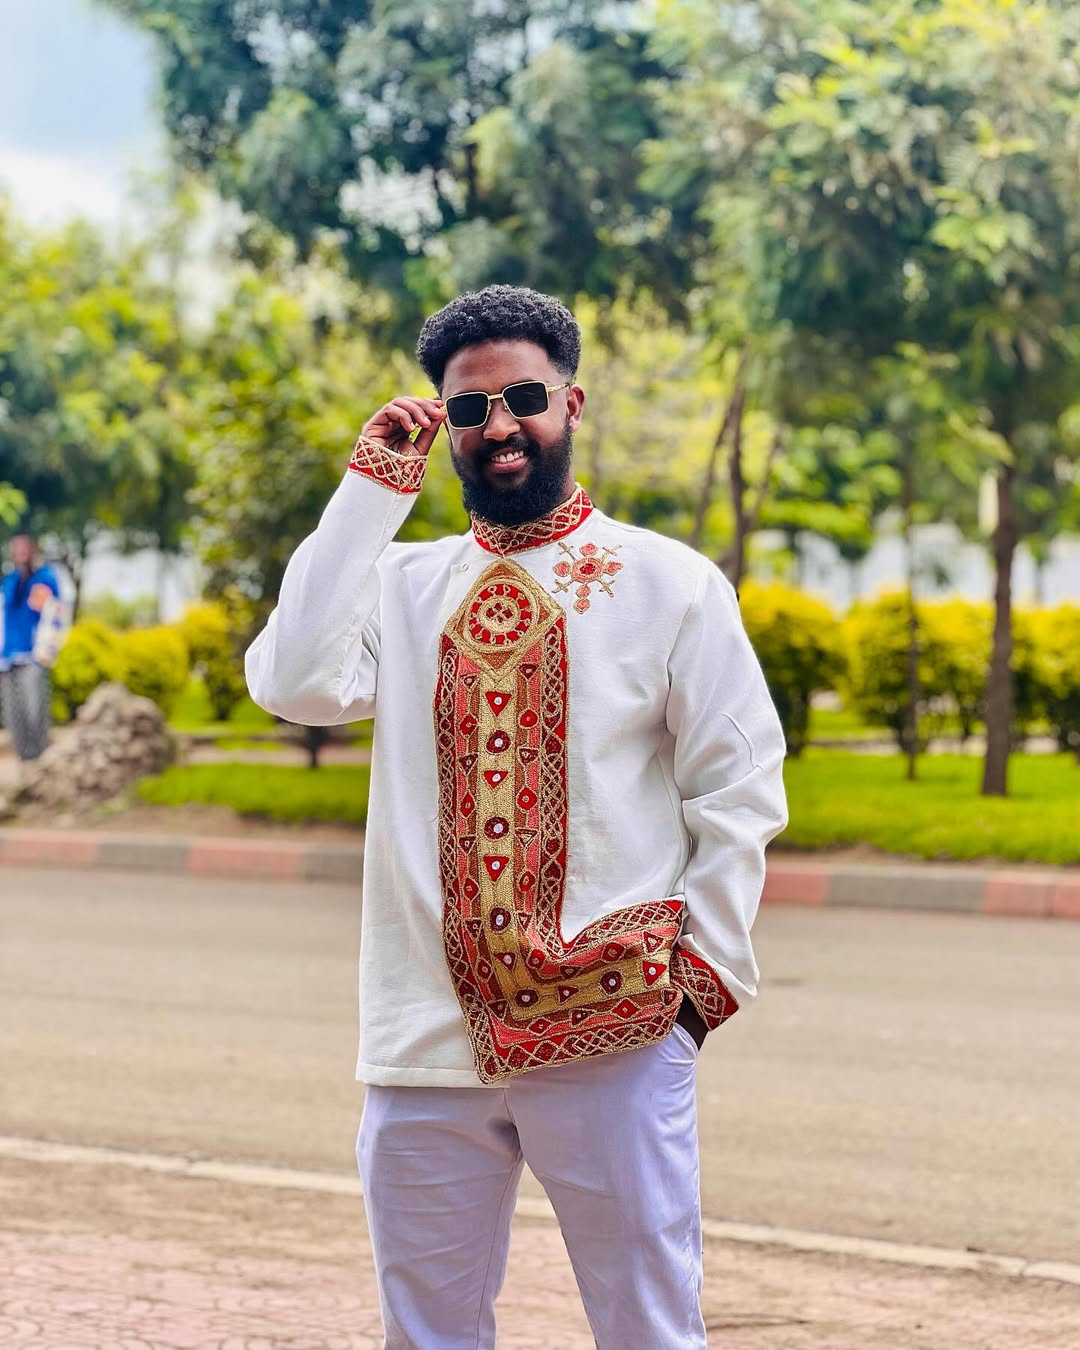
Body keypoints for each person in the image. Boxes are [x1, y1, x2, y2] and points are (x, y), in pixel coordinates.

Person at [246, 285, 788, 1348]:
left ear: (571, 403)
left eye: (524, 398)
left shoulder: (667, 582)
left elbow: (738, 786)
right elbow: (293, 681)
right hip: (423, 1039)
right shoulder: (400, 586)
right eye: (469, 409)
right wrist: (366, 495)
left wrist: (698, 988)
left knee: (646, 1327)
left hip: (615, 1029)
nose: (500, 426)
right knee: (428, 1333)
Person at [0, 532, 60, 761]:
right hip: (8, 659)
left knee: (35, 710)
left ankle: (41, 761)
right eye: (16, 548)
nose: (21, 553)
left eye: (25, 548)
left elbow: (55, 616)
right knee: (13, 716)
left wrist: (45, 654)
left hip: (33, 657)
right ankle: (25, 761)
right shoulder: (10, 581)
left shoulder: (44, 578)